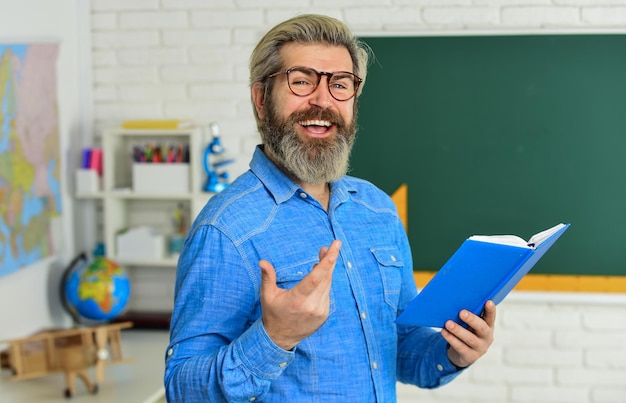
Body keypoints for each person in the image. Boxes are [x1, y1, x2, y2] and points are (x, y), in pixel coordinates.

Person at [164, 14, 496, 402]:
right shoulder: (226, 230)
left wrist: (452, 352)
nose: (323, 100)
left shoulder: (378, 210)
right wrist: (275, 337)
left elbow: (399, 349)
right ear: (260, 99)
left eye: (339, 84)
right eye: (302, 81)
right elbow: (182, 389)